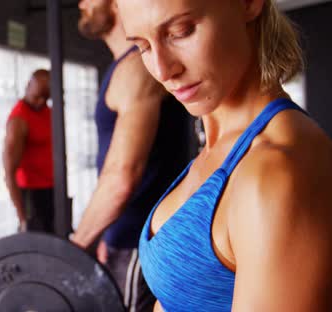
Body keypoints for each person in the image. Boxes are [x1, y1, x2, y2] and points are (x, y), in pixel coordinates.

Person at [115, 0, 332, 310]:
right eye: (143, 47)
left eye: (181, 31)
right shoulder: (219, 147)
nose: (163, 71)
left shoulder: (275, 172)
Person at [72, 0, 193, 310]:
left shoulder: (137, 69)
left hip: (139, 239)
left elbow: (122, 176)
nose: (81, 3)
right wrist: (103, 235)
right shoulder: (124, 67)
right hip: (124, 236)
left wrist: (75, 245)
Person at [3, 69, 54, 233]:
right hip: (31, 195)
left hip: (51, 189)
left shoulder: (48, 112)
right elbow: (9, 172)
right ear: (27, 86)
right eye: (37, 96)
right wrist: (23, 218)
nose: (40, 102)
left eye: (45, 98)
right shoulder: (19, 119)